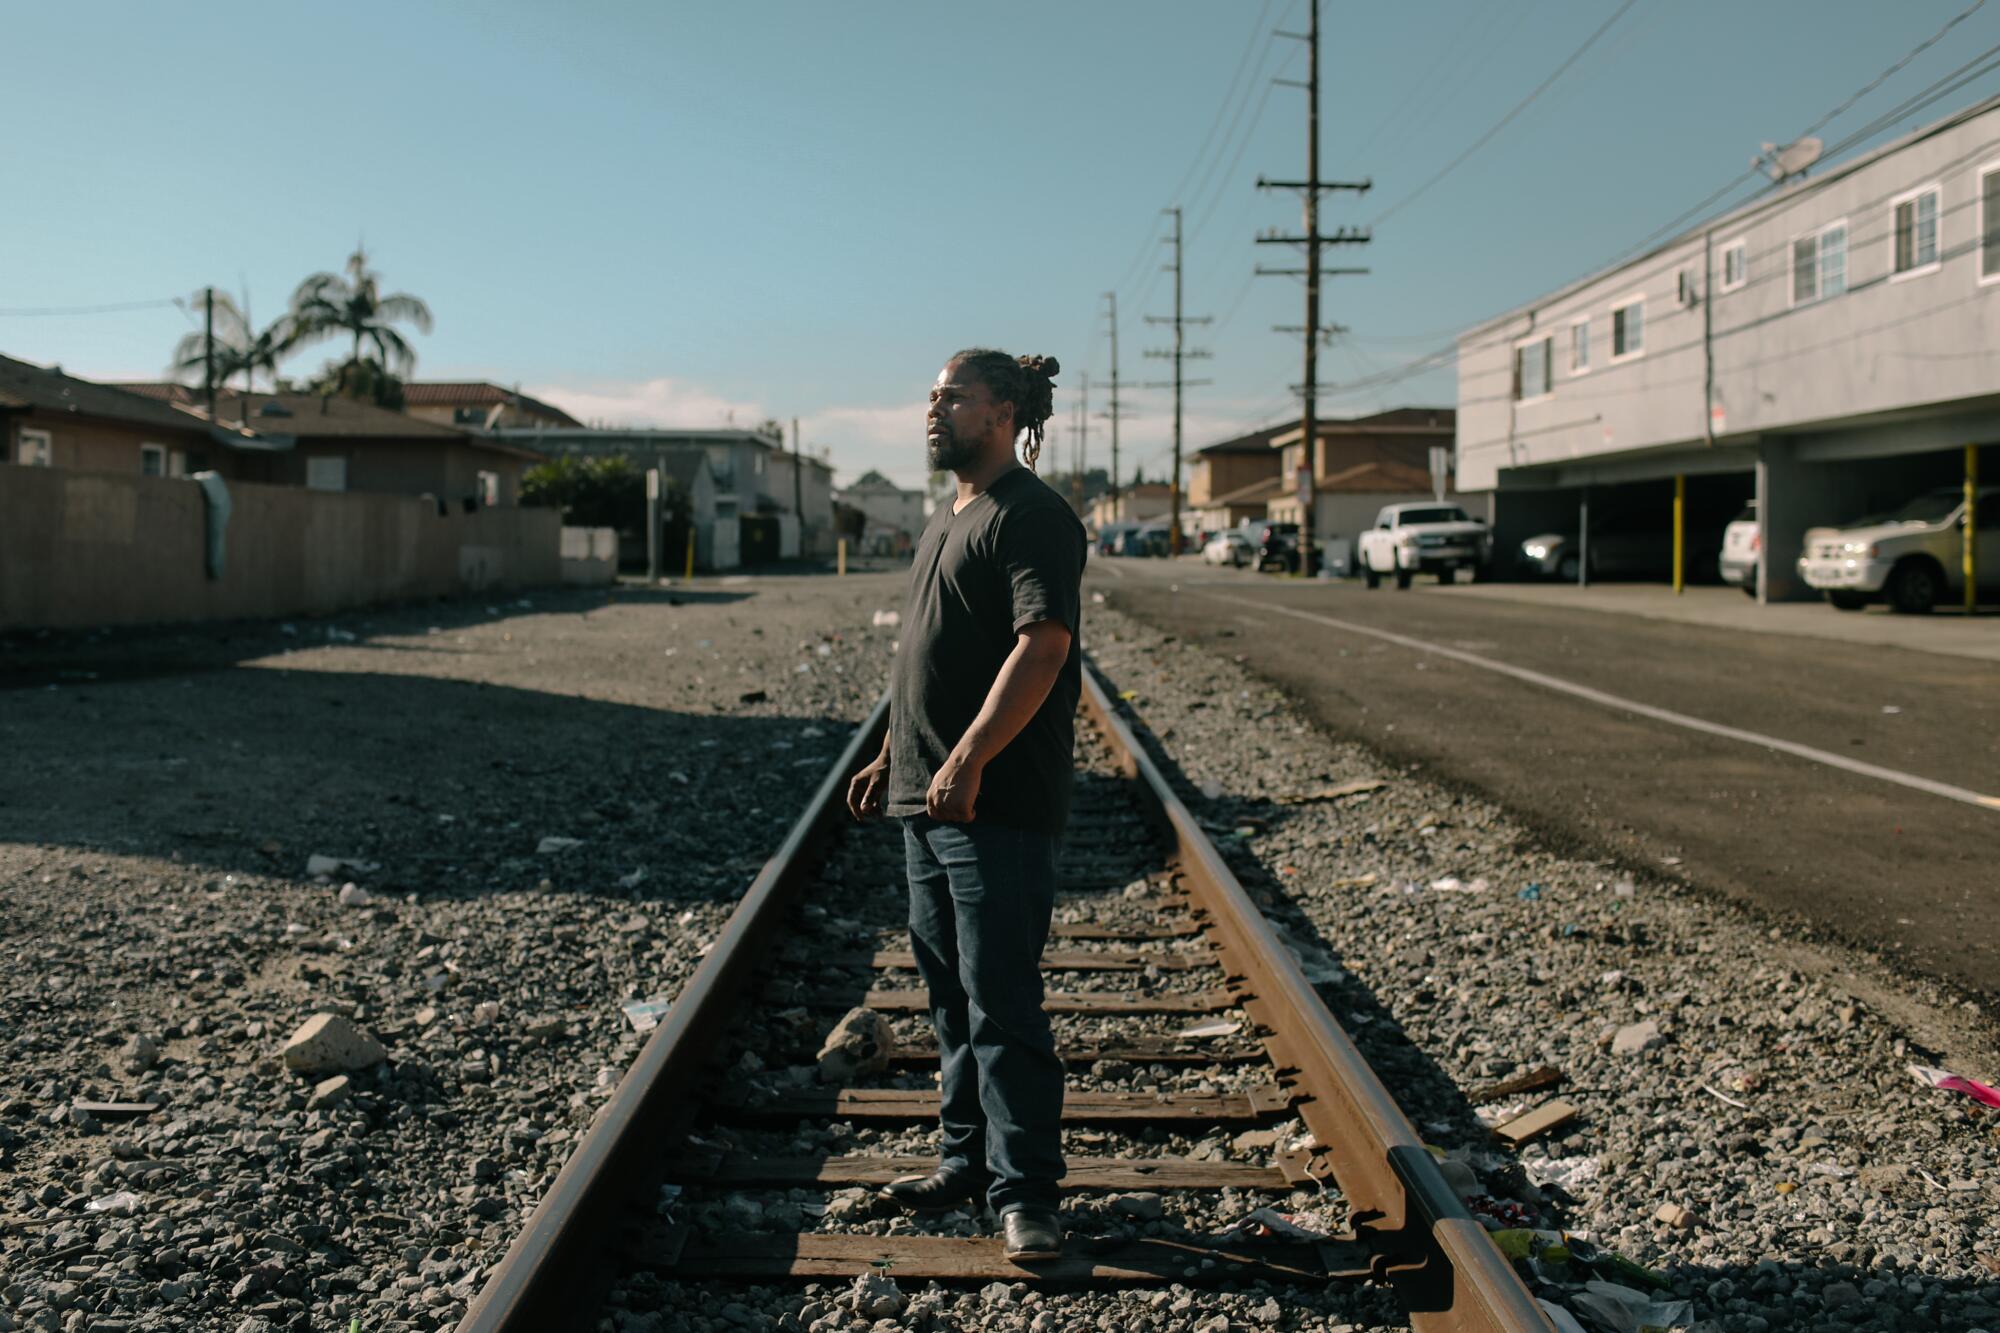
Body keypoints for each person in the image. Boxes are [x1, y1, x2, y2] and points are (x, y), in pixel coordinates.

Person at [846, 348, 1087, 1262]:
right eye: (932, 397)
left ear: (1006, 409)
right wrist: (891, 753)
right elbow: (930, 658)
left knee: (1002, 1000)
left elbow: (1041, 647)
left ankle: (1028, 1193)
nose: (932, 410)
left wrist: (970, 757)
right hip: (928, 797)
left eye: (952, 397)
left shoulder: (1033, 516)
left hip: (995, 802)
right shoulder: (946, 520)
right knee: (951, 995)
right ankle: (967, 1161)